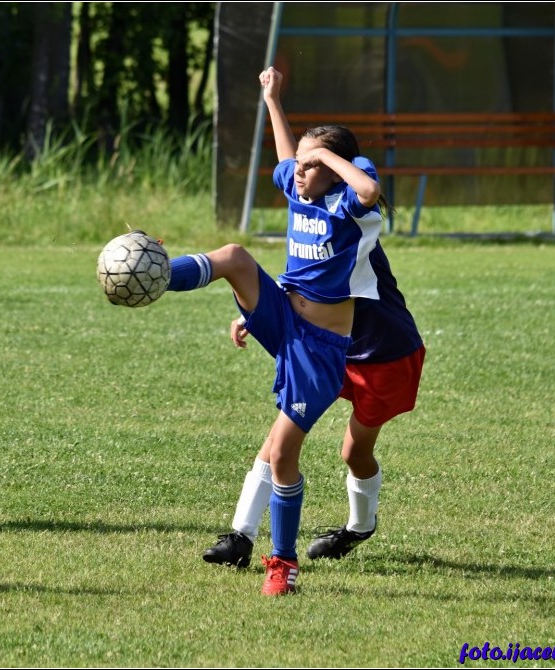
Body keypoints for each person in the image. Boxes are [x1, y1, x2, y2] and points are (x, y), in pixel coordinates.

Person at [161, 65, 404, 595]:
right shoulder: (299, 184)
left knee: (281, 456)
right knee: (234, 257)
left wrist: (327, 157)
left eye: (311, 166)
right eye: (300, 164)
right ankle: (160, 275)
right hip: (284, 317)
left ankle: (283, 563)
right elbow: (284, 156)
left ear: (333, 169)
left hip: (320, 350)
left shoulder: (348, 204)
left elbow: (367, 188)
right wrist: (273, 100)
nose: (299, 171)